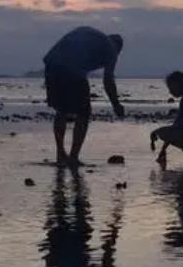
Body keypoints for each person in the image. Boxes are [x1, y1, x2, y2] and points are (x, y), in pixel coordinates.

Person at [43, 26, 125, 167]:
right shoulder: (111, 50)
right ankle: (73, 157)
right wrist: (116, 104)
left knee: (61, 110)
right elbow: (108, 80)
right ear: (118, 49)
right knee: (83, 113)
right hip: (72, 68)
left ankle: (60, 154)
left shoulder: (95, 37)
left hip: (52, 64)